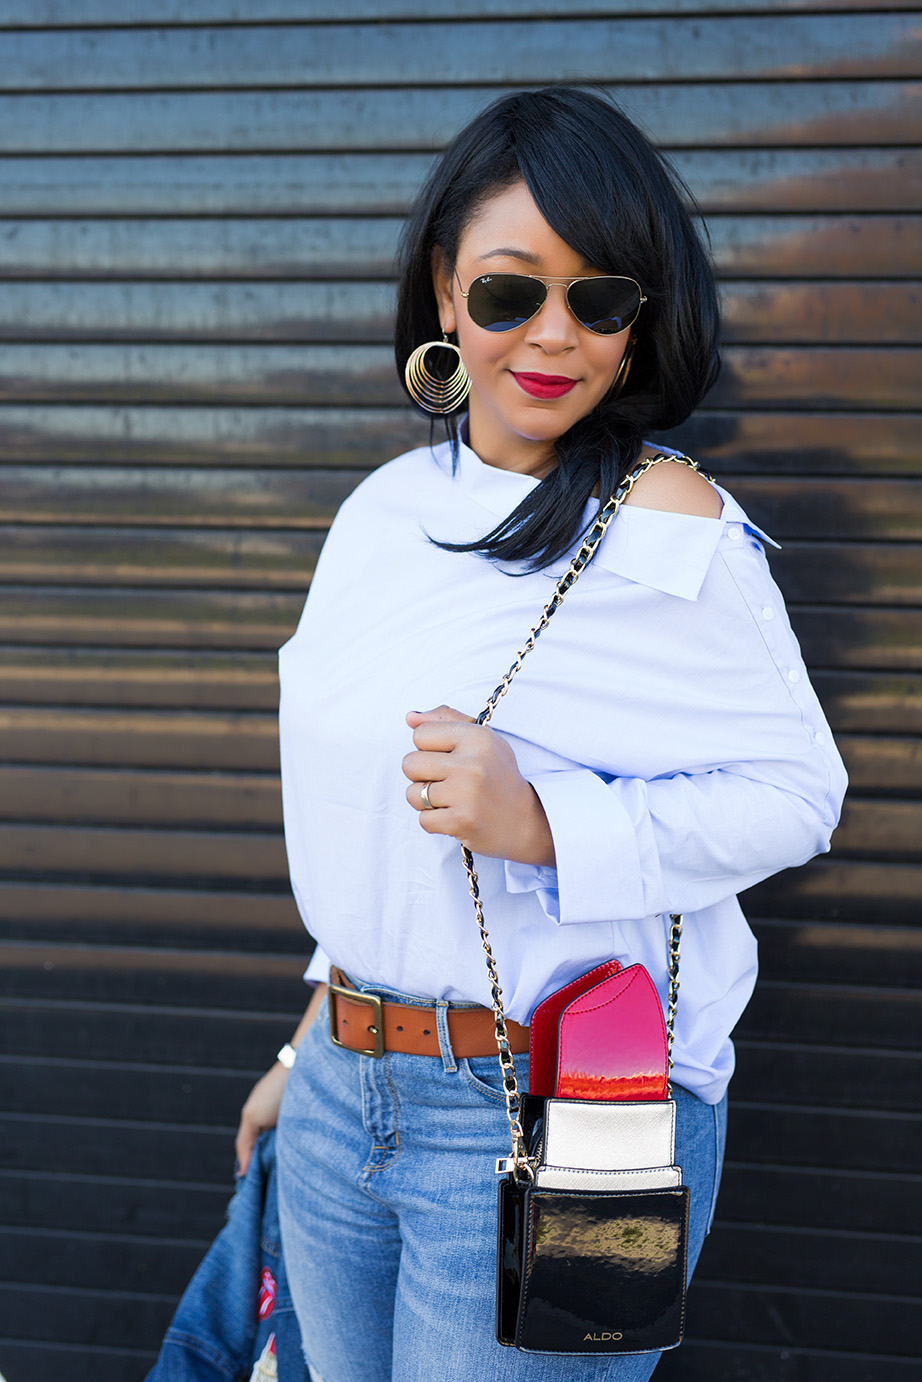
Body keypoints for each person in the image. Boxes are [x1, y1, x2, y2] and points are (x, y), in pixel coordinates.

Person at [235, 87, 847, 1381]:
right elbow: (359, 816)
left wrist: (540, 821)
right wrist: (307, 1042)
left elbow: (796, 794)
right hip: (350, 1095)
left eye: (599, 299)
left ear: (642, 319)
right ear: (444, 300)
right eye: (510, 294)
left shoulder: (669, 525)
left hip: (574, 1106)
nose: (552, 335)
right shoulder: (384, 513)